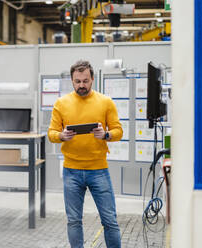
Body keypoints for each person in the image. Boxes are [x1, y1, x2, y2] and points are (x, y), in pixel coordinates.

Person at [48, 60, 123, 248]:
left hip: (99, 170)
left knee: (110, 221)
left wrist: (105, 135)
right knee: (74, 221)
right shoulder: (61, 103)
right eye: (78, 81)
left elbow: (118, 131)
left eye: (85, 81)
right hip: (71, 171)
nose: (82, 85)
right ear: (72, 81)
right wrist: (61, 136)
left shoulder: (105, 102)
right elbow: (51, 133)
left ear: (92, 79)